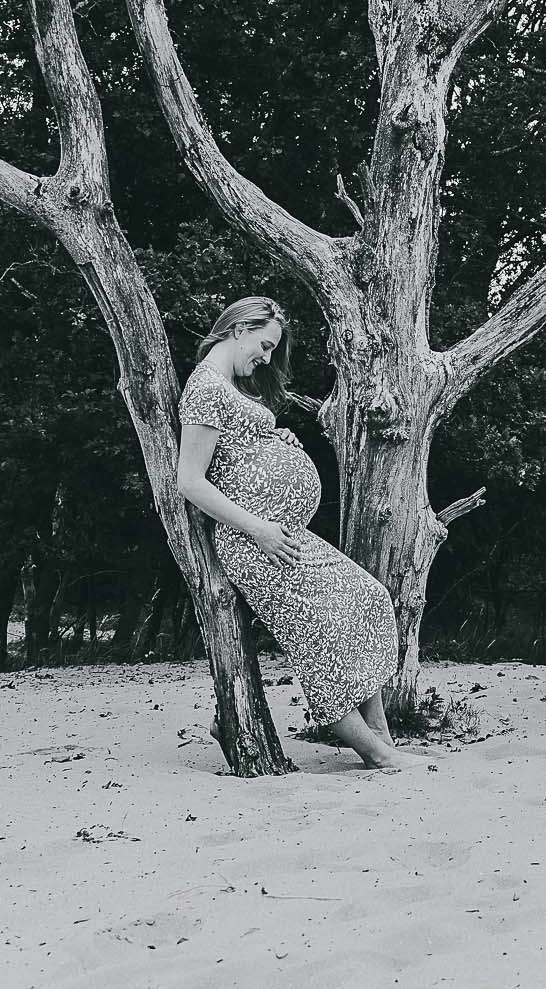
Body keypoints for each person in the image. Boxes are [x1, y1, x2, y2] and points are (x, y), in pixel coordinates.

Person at [174, 296, 415, 771]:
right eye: (264, 345)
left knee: (367, 598)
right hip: (256, 542)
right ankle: (373, 752)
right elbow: (190, 480)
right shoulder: (204, 386)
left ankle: (382, 737)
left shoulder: (227, 387)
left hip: (283, 534)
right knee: (321, 634)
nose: (266, 358)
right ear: (239, 329)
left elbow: (237, 448)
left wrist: (274, 438)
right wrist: (257, 527)